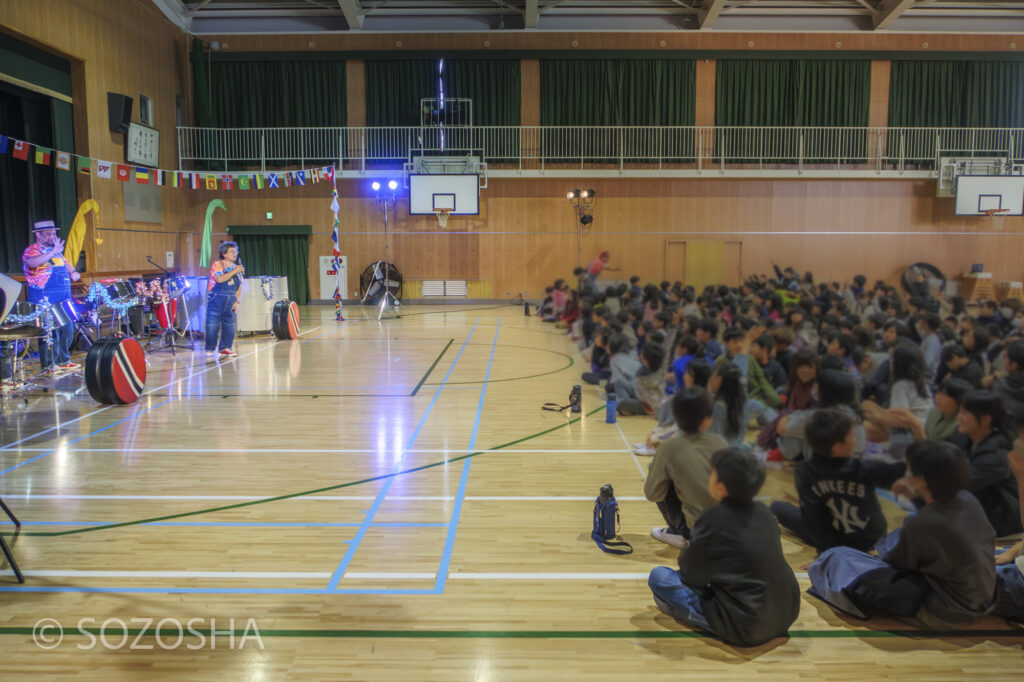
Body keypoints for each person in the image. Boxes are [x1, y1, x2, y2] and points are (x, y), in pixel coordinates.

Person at [808, 441, 996, 630]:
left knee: (838, 556)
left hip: (945, 611)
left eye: (909, 469)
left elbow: (894, 562)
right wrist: (916, 496)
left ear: (921, 479)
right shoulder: (968, 499)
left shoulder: (925, 522)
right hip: (981, 602)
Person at [648, 447, 801, 647]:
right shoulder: (764, 513)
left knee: (660, 577)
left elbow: (689, 574)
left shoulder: (713, 519)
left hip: (747, 626)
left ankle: (692, 615)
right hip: (787, 612)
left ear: (720, 487)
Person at [770, 409, 905, 552]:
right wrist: (917, 428)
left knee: (778, 507)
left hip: (833, 539)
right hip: (871, 540)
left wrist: (828, 552)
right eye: (852, 435)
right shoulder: (863, 467)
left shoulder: (804, 470)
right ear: (838, 448)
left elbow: (814, 518)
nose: (855, 439)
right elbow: (905, 468)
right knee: (781, 508)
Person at [645, 387, 728, 548]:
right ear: (707, 420)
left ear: (675, 416)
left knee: (657, 472)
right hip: (727, 526)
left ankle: (677, 532)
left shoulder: (668, 448)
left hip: (696, 531)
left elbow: (652, 494)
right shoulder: (720, 442)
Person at [947, 390, 1022, 536]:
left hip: (999, 520)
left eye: (964, 413)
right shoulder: (963, 438)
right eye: (959, 412)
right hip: (976, 515)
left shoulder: (999, 452)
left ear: (985, 419)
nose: (959, 417)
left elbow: (957, 482)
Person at [21, 219, 81, 373]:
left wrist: (73, 272)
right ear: (38, 235)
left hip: (63, 299)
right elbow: (32, 263)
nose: (52, 237)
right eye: (48, 234)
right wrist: (53, 252)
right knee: (49, 333)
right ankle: (48, 365)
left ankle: (63, 361)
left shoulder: (57, 252)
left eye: (53, 233)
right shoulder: (32, 250)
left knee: (67, 331)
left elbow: (66, 263)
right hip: (45, 299)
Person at [205, 240, 244, 361]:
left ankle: (225, 347)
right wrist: (235, 271)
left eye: (235, 251)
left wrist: (237, 301)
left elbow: (239, 286)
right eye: (231, 251)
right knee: (212, 325)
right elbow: (220, 279)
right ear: (224, 254)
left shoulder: (237, 268)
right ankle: (210, 347)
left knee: (229, 326)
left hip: (230, 301)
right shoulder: (217, 265)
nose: (235, 254)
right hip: (216, 299)